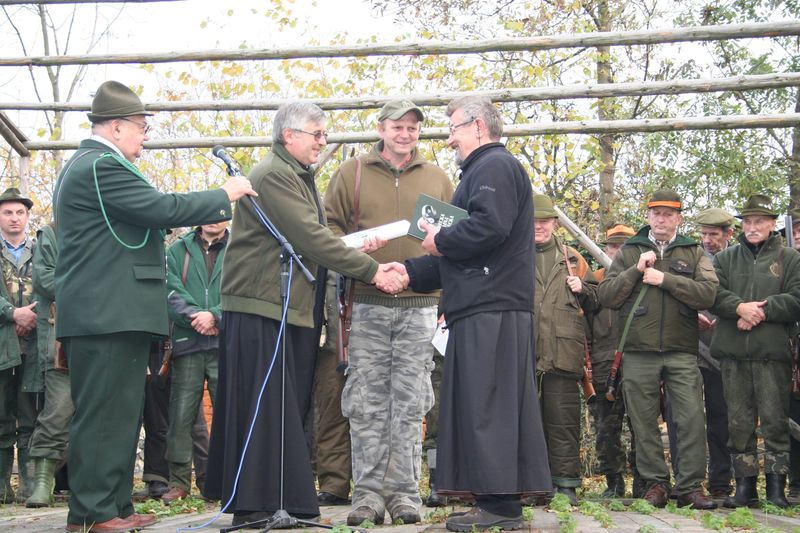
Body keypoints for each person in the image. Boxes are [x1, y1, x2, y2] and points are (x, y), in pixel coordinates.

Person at [53, 80, 255, 533]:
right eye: (142, 127)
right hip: (107, 314)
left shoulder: (94, 165)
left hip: (114, 313)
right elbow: (160, 208)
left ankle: (115, 506)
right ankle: (93, 513)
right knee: (104, 415)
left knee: (121, 415)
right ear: (117, 127)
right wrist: (224, 194)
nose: (145, 136)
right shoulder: (101, 165)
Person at [202, 101, 404, 528]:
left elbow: (309, 239)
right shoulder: (274, 174)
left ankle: (279, 500)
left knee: (283, 407)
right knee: (263, 407)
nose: (322, 142)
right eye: (317, 134)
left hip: (286, 307)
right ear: (289, 135)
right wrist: (372, 270)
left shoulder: (296, 174)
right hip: (261, 306)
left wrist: (355, 246)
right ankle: (256, 505)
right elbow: (308, 237)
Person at [400, 96, 551, 532]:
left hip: (493, 306)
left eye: (454, 128)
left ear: (479, 126)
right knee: (482, 405)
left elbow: (489, 227)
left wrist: (440, 239)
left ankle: (501, 507)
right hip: (482, 304)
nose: (449, 139)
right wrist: (407, 271)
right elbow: (465, 251)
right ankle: (493, 500)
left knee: (491, 406)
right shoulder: (482, 171)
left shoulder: (494, 166)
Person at [324, 99, 453, 526]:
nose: (405, 133)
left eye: (412, 127)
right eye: (397, 126)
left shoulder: (438, 177)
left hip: (421, 305)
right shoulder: (351, 173)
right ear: (380, 128)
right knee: (366, 403)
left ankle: (404, 495)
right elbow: (327, 230)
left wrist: (440, 298)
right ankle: (367, 496)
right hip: (366, 303)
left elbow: (455, 240)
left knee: (412, 403)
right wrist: (358, 250)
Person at [597, 189, 718, 510]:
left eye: (668, 214)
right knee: (643, 421)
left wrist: (665, 279)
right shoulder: (630, 251)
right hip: (638, 350)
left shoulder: (693, 251)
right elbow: (607, 295)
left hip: (681, 350)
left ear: (679, 218)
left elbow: (708, 294)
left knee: (691, 418)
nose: (662, 220)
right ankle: (655, 484)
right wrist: (635, 270)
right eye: (656, 214)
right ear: (648, 216)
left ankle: (690, 487)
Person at [710, 194, 800, 509]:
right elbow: (713, 293)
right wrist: (739, 308)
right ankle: (745, 488)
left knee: (775, 421)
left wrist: (759, 311)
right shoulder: (725, 258)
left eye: (759, 221)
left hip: (772, 354)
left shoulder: (790, 258)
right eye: (747, 221)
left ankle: (776, 489)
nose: (752, 227)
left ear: (772, 224)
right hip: (733, 354)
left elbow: (797, 298)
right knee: (738, 424)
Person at [664, 208, 735, 500]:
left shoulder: (736, 261)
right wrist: (690, 316)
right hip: (687, 350)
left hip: (723, 352)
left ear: (728, 234)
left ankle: (720, 483)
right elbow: (670, 293)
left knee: (721, 418)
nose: (707, 240)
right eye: (704, 234)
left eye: (713, 234)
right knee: (681, 419)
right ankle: (685, 482)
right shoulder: (689, 256)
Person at [531, 194, 597, 505]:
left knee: (563, 421)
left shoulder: (573, 259)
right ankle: (531, 484)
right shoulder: (513, 256)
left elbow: (597, 299)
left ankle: (566, 484)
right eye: (533, 221)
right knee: (525, 423)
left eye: (544, 221)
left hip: (564, 352)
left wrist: (583, 289)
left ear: (555, 223)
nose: (538, 226)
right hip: (524, 353)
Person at [161, 221, 229, 502]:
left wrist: (215, 316)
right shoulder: (177, 250)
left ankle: (227, 480)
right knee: (180, 415)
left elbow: (240, 290)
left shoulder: (238, 248)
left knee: (228, 414)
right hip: (188, 342)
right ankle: (178, 482)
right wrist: (197, 318)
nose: (214, 219)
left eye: (219, 213)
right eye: (208, 213)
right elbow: (170, 291)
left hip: (226, 343)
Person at [588, 223, 640, 499]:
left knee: (641, 424)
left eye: (624, 247)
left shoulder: (646, 278)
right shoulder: (594, 282)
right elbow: (583, 324)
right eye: (612, 246)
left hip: (639, 359)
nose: (617, 251)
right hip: (602, 362)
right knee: (606, 427)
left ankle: (644, 480)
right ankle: (614, 482)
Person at [26, 222, 72, 508]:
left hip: (104, 333)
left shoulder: (108, 228)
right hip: (61, 339)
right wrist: (90, 286)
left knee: (99, 415)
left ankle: (92, 484)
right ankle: (43, 482)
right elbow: (44, 279)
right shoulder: (53, 232)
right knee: (58, 411)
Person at [0, 187, 39, 504]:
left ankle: (29, 485)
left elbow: (53, 283)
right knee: (1, 417)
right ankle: (2, 487)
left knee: (30, 417)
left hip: (35, 345)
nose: (14, 218)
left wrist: (31, 315)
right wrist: (12, 313)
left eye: (19, 212)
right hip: (2, 345)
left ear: (27, 217)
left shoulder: (40, 251)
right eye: (7, 212)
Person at [312, 273, 352, 507]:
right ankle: (334, 485)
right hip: (331, 342)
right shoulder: (325, 251)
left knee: (375, 415)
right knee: (330, 412)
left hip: (373, 336)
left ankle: (376, 486)